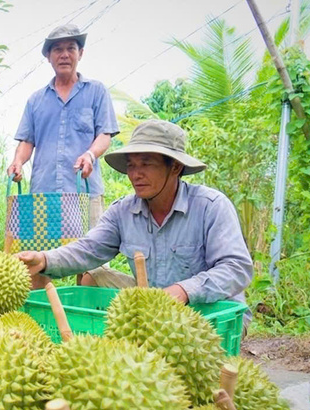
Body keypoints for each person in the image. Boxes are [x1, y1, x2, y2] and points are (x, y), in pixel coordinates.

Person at [16, 120, 254, 326]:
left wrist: (184, 291)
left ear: (176, 167)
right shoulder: (123, 211)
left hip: (211, 312)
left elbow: (237, 268)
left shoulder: (211, 206)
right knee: (92, 276)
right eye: (131, 165)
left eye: (147, 163)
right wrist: (44, 259)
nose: (135, 174)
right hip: (154, 305)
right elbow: (88, 249)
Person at [8, 23, 120, 289]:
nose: (64, 54)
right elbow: (27, 141)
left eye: (71, 48)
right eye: (57, 49)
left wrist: (90, 155)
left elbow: (105, 134)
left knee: (90, 267)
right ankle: (38, 323)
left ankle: (85, 322)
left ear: (80, 53)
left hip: (84, 192)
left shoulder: (96, 92)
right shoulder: (36, 100)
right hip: (43, 197)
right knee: (36, 265)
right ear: (49, 57)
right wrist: (17, 161)